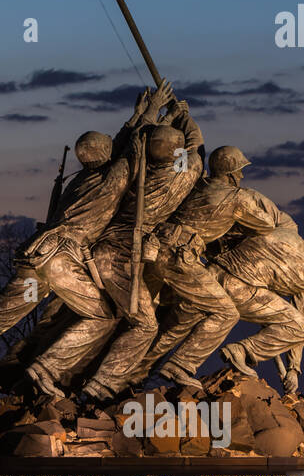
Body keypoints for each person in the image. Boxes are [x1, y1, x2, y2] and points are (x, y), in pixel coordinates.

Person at [0, 85, 165, 402]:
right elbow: (133, 150)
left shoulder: (79, 180)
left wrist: (136, 115)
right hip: (60, 259)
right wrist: (151, 113)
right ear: (106, 155)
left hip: (34, 255)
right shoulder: (111, 178)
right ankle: (46, 370)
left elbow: (119, 146)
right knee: (103, 314)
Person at [31, 94, 204, 401]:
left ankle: (50, 371)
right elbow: (195, 144)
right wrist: (183, 115)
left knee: (104, 315)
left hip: (99, 253)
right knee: (145, 325)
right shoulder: (186, 173)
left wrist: (155, 117)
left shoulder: (136, 175)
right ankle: (99, 386)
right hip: (122, 257)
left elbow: (131, 147)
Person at [137, 145, 297, 390]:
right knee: (226, 313)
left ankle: (133, 375)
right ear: (232, 173)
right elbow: (265, 226)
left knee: (168, 322)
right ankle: (179, 367)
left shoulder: (198, 185)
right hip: (180, 256)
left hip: (156, 249)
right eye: (240, 171)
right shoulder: (236, 197)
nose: (242, 177)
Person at [211, 229, 304, 395]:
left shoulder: (285, 234)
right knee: (302, 328)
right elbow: (297, 321)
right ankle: (242, 350)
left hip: (214, 273)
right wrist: (293, 369)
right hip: (243, 290)